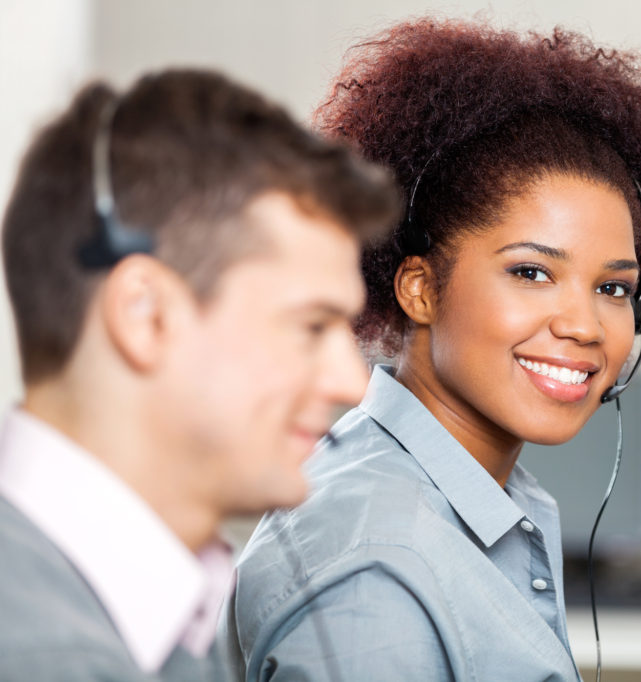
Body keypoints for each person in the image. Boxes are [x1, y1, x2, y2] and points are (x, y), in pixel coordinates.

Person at [224, 18, 641, 682]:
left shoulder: (452, 498)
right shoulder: (377, 575)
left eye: (614, 288)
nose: (585, 325)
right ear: (420, 289)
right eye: (531, 273)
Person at [0, 69, 398, 681]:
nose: (350, 383)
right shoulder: (44, 655)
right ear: (145, 315)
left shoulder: (148, 614)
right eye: (312, 327)